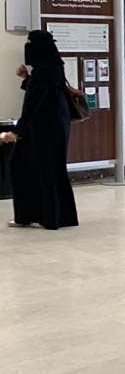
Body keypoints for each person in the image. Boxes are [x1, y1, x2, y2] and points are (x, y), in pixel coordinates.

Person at [0, 30, 78, 230]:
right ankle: (61, 216)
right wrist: (27, 77)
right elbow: (43, 92)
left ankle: (32, 216)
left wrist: (16, 131)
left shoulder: (43, 70)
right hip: (56, 125)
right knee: (52, 170)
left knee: (23, 166)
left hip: (43, 128)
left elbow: (33, 104)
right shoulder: (54, 67)